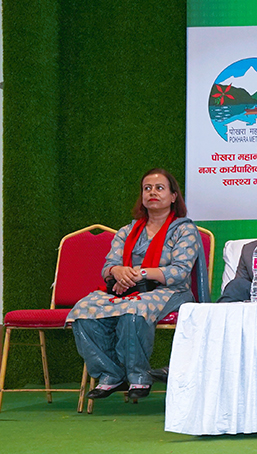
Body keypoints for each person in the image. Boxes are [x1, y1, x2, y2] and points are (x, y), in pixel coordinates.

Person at [69, 168, 201, 401]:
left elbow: (180, 272)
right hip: (127, 289)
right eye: (147, 188)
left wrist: (140, 273)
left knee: (134, 311)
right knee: (82, 311)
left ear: (173, 196)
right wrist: (117, 271)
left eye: (159, 188)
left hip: (170, 290)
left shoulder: (184, 229)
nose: (152, 192)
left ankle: (139, 376)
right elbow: (108, 267)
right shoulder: (127, 231)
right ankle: (111, 374)